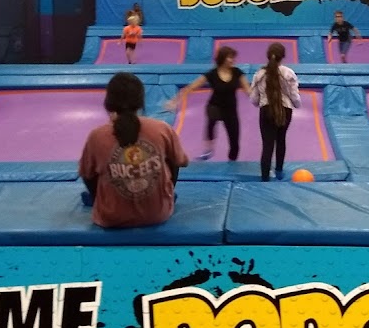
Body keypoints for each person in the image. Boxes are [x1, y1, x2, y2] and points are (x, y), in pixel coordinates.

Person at [79, 72, 190, 228]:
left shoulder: (97, 136)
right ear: (141, 101)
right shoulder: (161, 129)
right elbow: (181, 161)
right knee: (171, 155)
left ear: (109, 103)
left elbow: (86, 173)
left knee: (93, 167)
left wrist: (97, 197)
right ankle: (165, 197)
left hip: (111, 216)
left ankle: (105, 202)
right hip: (157, 213)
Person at [166, 46, 252, 161]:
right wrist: (175, 101)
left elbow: (248, 90)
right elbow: (191, 87)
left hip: (230, 109)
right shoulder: (212, 74)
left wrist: (261, 99)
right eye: (230, 58)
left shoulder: (237, 73)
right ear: (222, 59)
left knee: (235, 142)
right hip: (214, 106)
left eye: (233, 58)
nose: (233, 60)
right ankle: (209, 149)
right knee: (212, 119)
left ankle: (232, 161)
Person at [249, 42, 302, 181]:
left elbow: (254, 99)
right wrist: (297, 104)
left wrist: (260, 101)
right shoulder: (288, 73)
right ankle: (279, 171)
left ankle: (265, 177)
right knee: (281, 139)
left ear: (268, 56)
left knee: (267, 144)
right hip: (285, 110)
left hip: (266, 110)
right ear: (282, 56)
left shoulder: (260, 74)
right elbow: (294, 95)